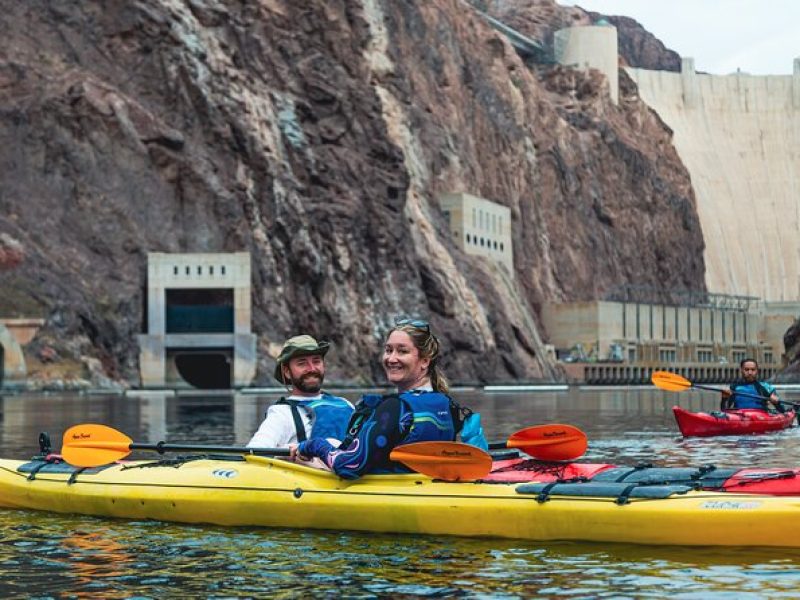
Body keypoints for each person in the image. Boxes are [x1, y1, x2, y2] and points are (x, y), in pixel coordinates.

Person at [291, 318, 487, 479]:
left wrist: (313, 445)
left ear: (425, 361)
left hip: (394, 492)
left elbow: (349, 466)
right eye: (388, 350)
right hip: (423, 487)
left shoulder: (395, 408)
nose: (391, 358)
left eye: (402, 351)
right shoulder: (447, 404)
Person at [247, 335, 354, 448]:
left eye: (316, 361)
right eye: (302, 363)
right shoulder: (282, 413)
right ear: (287, 372)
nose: (312, 369)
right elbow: (256, 449)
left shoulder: (345, 403)